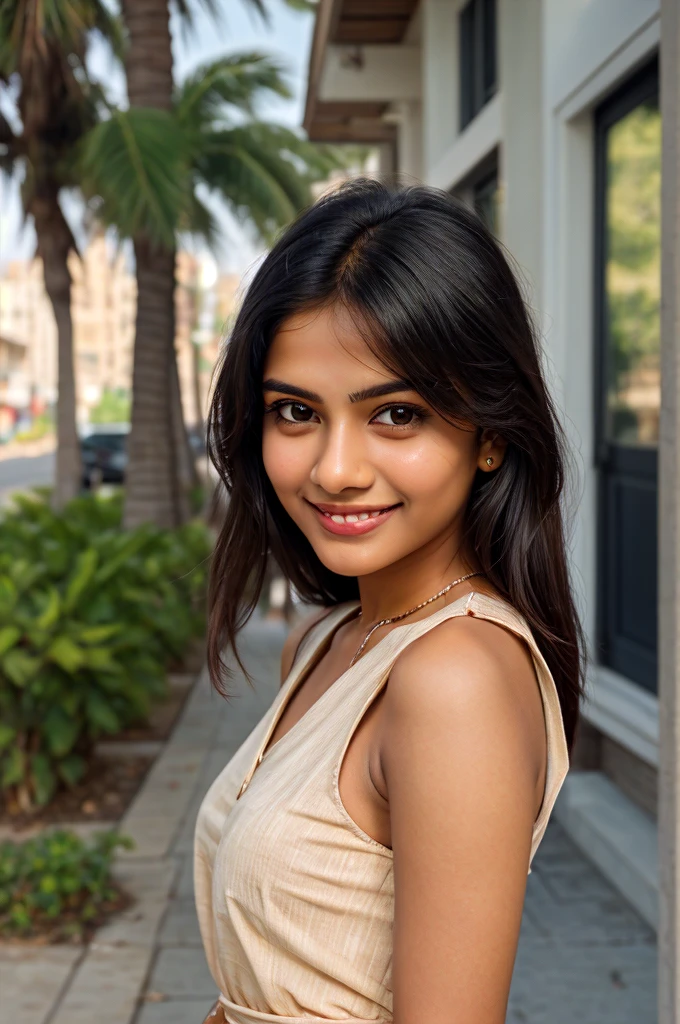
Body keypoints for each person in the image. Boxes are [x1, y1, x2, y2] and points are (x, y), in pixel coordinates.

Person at [194, 179, 584, 1024]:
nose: (334, 468)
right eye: (295, 411)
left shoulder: (456, 679)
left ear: (489, 435)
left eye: (396, 414)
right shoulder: (331, 636)